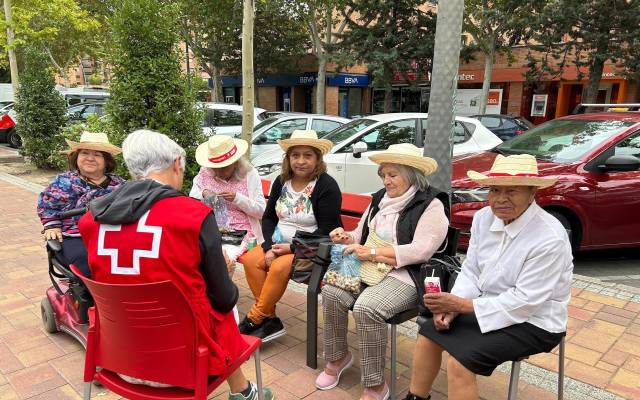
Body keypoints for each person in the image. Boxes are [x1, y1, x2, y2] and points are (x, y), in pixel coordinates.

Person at [78, 130, 273, 400]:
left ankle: (244, 391)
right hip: (189, 362)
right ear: (176, 163)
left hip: (119, 357)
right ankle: (245, 392)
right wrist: (223, 276)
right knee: (222, 307)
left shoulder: (91, 220)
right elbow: (225, 299)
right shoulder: (192, 216)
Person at [404, 154, 573, 400]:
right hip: (484, 305)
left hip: (536, 321)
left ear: (532, 194)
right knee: (430, 332)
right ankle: (415, 398)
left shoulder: (549, 238)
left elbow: (525, 302)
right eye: (494, 190)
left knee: (460, 360)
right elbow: (472, 269)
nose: (501, 199)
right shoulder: (484, 218)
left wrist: (462, 306)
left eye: (512, 191)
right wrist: (452, 307)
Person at [316, 143, 449, 400]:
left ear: (411, 174)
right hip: (368, 267)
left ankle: (376, 385)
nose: (386, 180)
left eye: (392, 174)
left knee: (367, 307)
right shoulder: (380, 199)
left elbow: (422, 250)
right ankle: (338, 358)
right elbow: (361, 235)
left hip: (406, 275)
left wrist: (375, 253)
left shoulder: (431, 204)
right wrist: (346, 238)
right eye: (383, 175)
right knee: (332, 291)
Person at [239, 130, 342, 342]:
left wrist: (291, 248)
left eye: (308, 156)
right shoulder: (281, 181)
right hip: (278, 242)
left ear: (317, 159)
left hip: (311, 249)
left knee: (277, 267)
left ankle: (256, 317)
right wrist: (268, 247)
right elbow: (268, 218)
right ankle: (270, 319)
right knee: (251, 260)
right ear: (288, 158)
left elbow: (327, 232)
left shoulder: (326, 186)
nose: (301, 161)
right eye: (295, 155)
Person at [37, 131, 125, 276]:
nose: (90, 158)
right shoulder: (63, 182)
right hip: (76, 235)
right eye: (85, 153)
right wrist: (51, 226)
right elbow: (47, 207)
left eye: (97, 154)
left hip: (111, 235)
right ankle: (91, 296)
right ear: (77, 157)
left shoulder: (119, 184)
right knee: (88, 264)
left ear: (106, 160)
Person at [190, 135, 266, 269]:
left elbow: (261, 212)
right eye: (215, 167)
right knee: (191, 255)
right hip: (211, 229)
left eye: (224, 167)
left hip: (240, 232)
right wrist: (204, 193)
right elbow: (191, 197)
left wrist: (237, 199)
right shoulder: (205, 172)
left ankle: (222, 289)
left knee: (223, 259)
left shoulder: (249, 174)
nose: (218, 172)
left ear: (236, 162)